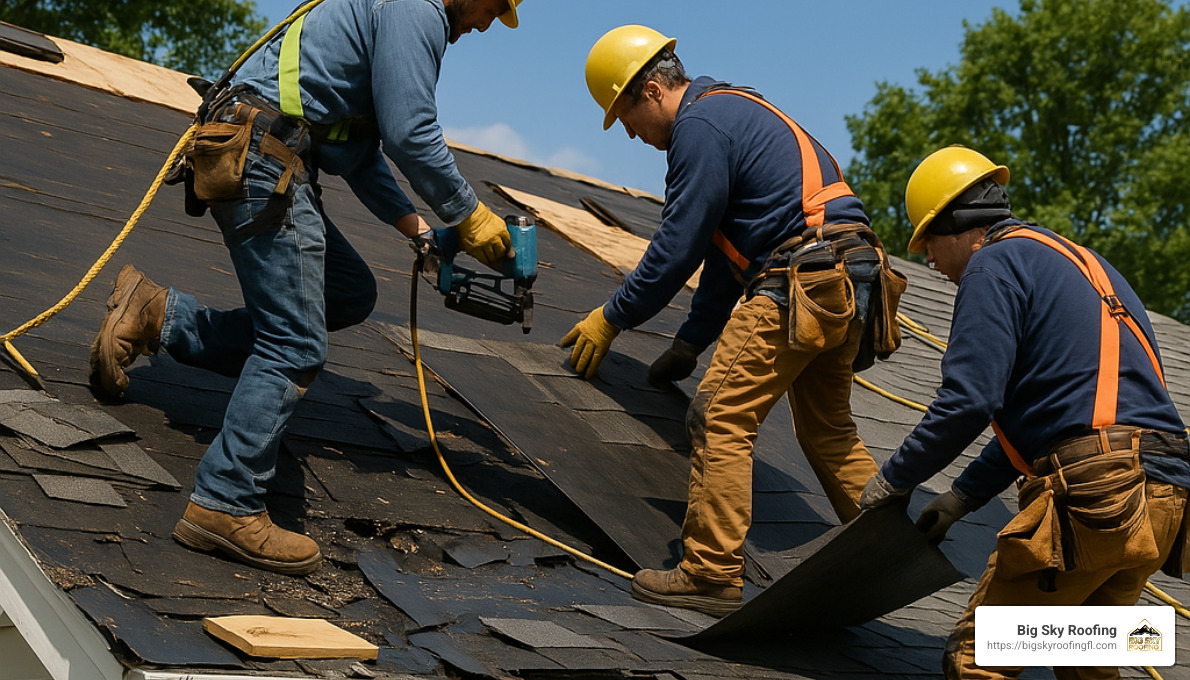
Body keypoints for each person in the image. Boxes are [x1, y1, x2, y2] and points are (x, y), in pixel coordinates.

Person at [88, 0, 524, 575]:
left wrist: (423, 233)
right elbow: (410, 131)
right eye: (496, 6)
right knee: (293, 344)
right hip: (264, 153)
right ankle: (224, 501)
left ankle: (157, 315)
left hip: (262, 147)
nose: (488, 22)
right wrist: (469, 213)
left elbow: (354, 151)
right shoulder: (419, 8)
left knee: (347, 292)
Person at [564, 25, 905, 617]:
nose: (628, 132)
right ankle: (893, 559)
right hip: (850, 280)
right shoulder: (736, 111)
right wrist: (691, 343)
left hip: (801, 280)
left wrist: (611, 317)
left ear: (650, 90)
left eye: (623, 114)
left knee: (720, 415)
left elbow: (678, 246)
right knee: (829, 434)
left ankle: (710, 573)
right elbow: (727, 256)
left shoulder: (698, 128)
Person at [860, 146, 1190, 679]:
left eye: (929, 242)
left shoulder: (992, 264)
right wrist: (961, 498)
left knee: (978, 658)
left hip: (1097, 499)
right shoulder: (1083, 263)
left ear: (959, 223)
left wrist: (895, 480)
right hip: (1162, 499)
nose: (928, 261)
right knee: (1085, 660)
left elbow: (968, 400)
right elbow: (1062, 418)